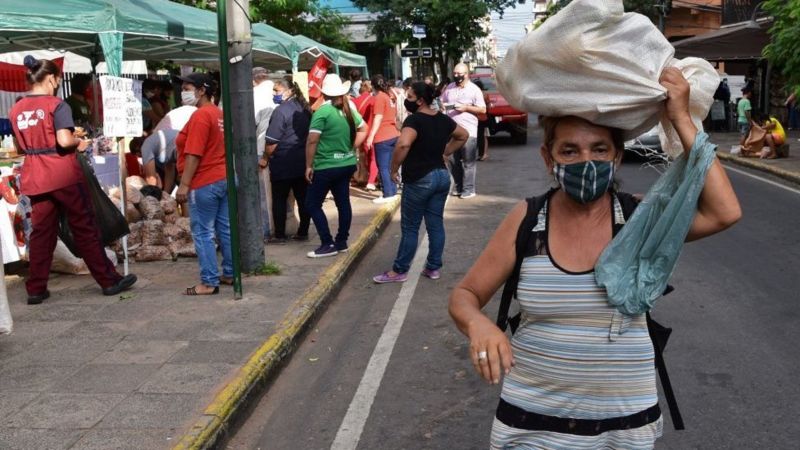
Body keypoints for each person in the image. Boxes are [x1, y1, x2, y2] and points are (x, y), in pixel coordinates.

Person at [448, 68, 741, 449]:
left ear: (617, 157)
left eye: (599, 149)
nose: (586, 161)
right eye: (569, 150)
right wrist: (478, 325)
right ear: (548, 157)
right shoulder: (527, 219)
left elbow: (724, 212)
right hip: (532, 424)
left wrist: (682, 118)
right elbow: (465, 295)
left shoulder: (640, 219)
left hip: (625, 425)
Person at [10, 56, 136, 304]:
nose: (57, 84)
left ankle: (36, 289)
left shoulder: (17, 108)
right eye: (57, 79)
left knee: (41, 233)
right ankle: (108, 281)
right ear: (50, 78)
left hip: (35, 175)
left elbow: (18, 147)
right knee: (84, 227)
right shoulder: (57, 105)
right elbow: (64, 141)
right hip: (62, 174)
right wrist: (80, 142)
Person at [372, 82, 468, 283]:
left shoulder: (414, 121)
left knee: (410, 227)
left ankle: (399, 270)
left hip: (419, 178)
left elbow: (404, 143)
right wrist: (446, 152)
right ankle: (433, 267)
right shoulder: (442, 119)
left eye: (410, 96)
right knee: (435, 223)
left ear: (421, 100)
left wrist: (393, 168)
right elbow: (463, 135)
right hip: (442, 176)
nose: (407, 100)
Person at [175, 73, 232, 295]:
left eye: (187, 88)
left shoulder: (201, 116)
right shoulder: (218, 114)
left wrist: (184, 185)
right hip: (223, 178)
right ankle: (229, 272)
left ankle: (208, 282)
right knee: (225, 229)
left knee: (203, 232)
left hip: (205, 180)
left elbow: (194, 153)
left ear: (202, 91)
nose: (183, 92)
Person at [305, 74, 367, 258]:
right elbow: (364, 128)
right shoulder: (348, 109)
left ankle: (327, 243)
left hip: (326, 165)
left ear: (323, 93)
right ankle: (341, 241)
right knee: (343, 203)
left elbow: (312, 140)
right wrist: (352, 147)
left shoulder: (322, 113)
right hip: (346, 163)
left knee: (312, 204)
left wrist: (308, 165)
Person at [260, 79, 312, 243]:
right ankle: (303, 231)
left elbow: (271, 143)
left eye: (277, 91)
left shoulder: (280, 111)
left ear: (289, 91)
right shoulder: (305, 108)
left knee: (279, 199)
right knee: (303, 198)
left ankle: (280, 235)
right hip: (302, 162)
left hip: (283, 163)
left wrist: (265, 158)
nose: (274, 94)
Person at [440, 63, 486, 199]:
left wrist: (466, 107)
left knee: (468, 161)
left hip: (469, 132)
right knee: (453, 161)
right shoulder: (449, 88)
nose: (456, 76)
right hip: (452, 131)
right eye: (454, 73)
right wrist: (443, 106)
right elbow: (441, 101)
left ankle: (469, 189)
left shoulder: (474, 90)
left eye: (459, 74)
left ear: (466, 74)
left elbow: (482, 109)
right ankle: (459, 187)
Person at [138, 105, 198, 195]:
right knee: (183, 186)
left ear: (138, 150)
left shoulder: (146, 147)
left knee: (183, 186)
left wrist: (153, 199)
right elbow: (169, 172)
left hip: (185, 148)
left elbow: (151, 178)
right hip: (186, 144)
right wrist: (166, 194)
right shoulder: (161, 146)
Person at [366, 75, 401, 204]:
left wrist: (370, 136)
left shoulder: (379, 97)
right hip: (394, 134)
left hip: (382, 137)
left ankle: (387, 194)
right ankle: (392, 190)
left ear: (374, 86)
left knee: (383, 167)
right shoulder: (389, 96)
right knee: (391, 166)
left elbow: (378, 118)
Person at [253, 67, 276, 241]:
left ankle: (265, 232)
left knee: (262, 194)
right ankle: (277, 228)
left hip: (260, 151)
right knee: (274, 195)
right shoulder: (274, 93)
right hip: (277, 151)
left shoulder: (255, 96)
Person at [353, 80, 379, 191]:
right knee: (373, 158)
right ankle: (371, 181)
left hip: (360, 132)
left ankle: (362, 177)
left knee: (363, 157)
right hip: (372, 131)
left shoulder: (354, 101)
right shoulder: (374, 100)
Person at [473, 78, 491, 161]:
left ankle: (481, 154)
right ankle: (483, 154)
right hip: (484, 117)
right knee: (483, 136)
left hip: (476, 118)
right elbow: (488, 106)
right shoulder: (485, 94)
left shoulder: (475, 94)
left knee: (477, 136)